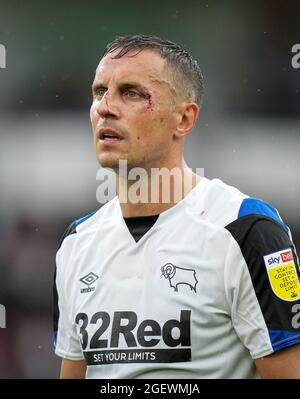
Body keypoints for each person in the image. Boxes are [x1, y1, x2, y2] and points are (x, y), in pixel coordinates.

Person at [53, 34, 300, 379]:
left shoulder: (247, 231)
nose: (105, 107)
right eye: (99, 92)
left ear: (184, 119)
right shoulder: (76, 243)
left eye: (131, 93)